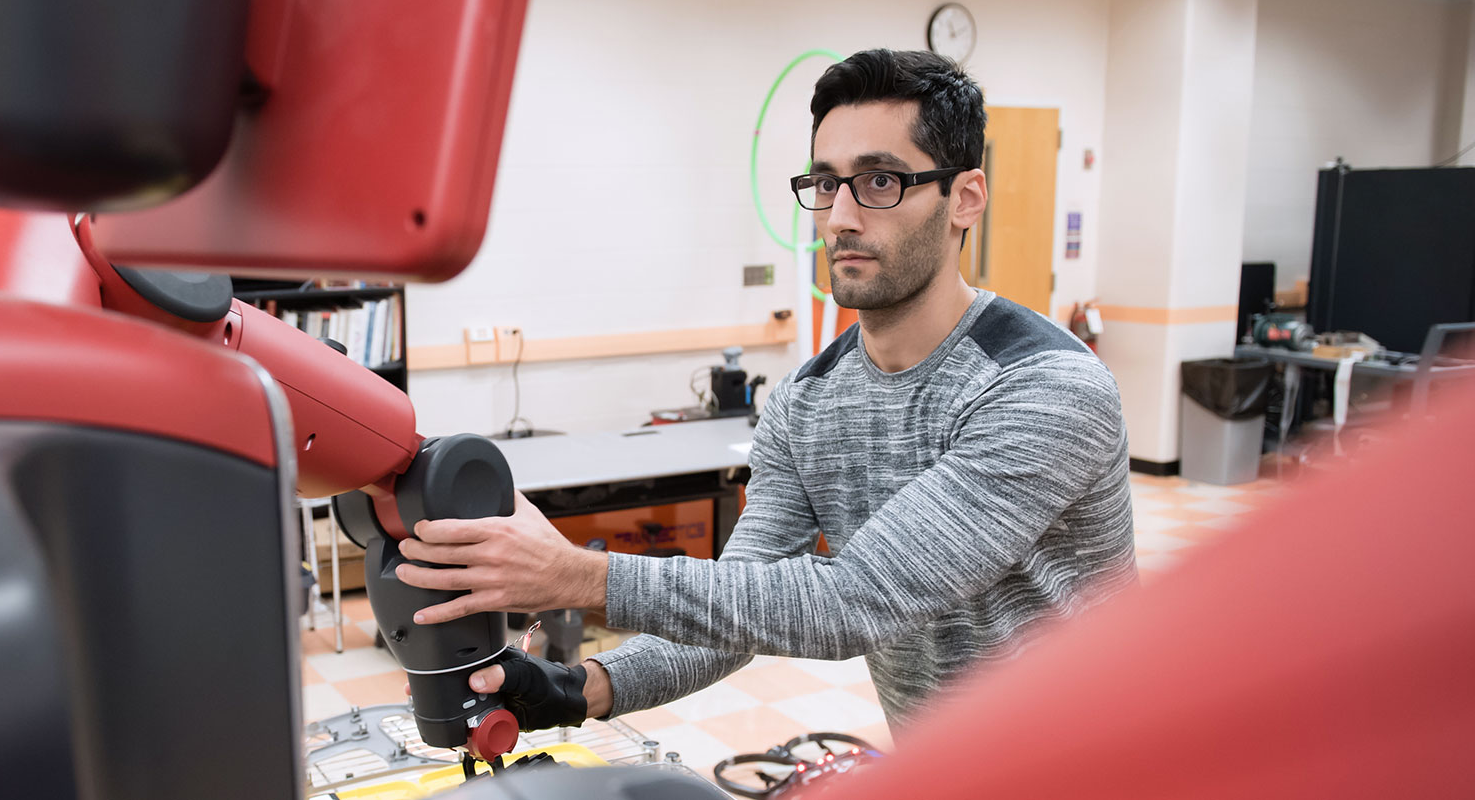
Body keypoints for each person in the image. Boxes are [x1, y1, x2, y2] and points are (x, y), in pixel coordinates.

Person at [397, 49, 1137, 734]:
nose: (839, 217)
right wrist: (576, 688)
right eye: (825, 183)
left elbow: (854, 601)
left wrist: (581, 574)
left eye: (880, 181)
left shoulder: (1044, 387)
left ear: (965, 198)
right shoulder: (806, 402)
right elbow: (745, 602)